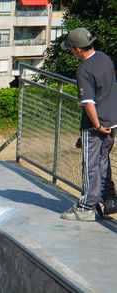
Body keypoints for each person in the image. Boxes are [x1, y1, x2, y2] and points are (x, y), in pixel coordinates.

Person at [60, 27, 117, 221]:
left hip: (95, 126)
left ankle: (86, 208)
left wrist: (97, 125)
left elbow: (89, 103)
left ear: (77, 49)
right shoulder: (105, 58)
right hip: (113, 120)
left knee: (90, 164)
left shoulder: (84, 69)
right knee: (103, 161)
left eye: (71, 49)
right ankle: (108, 198)